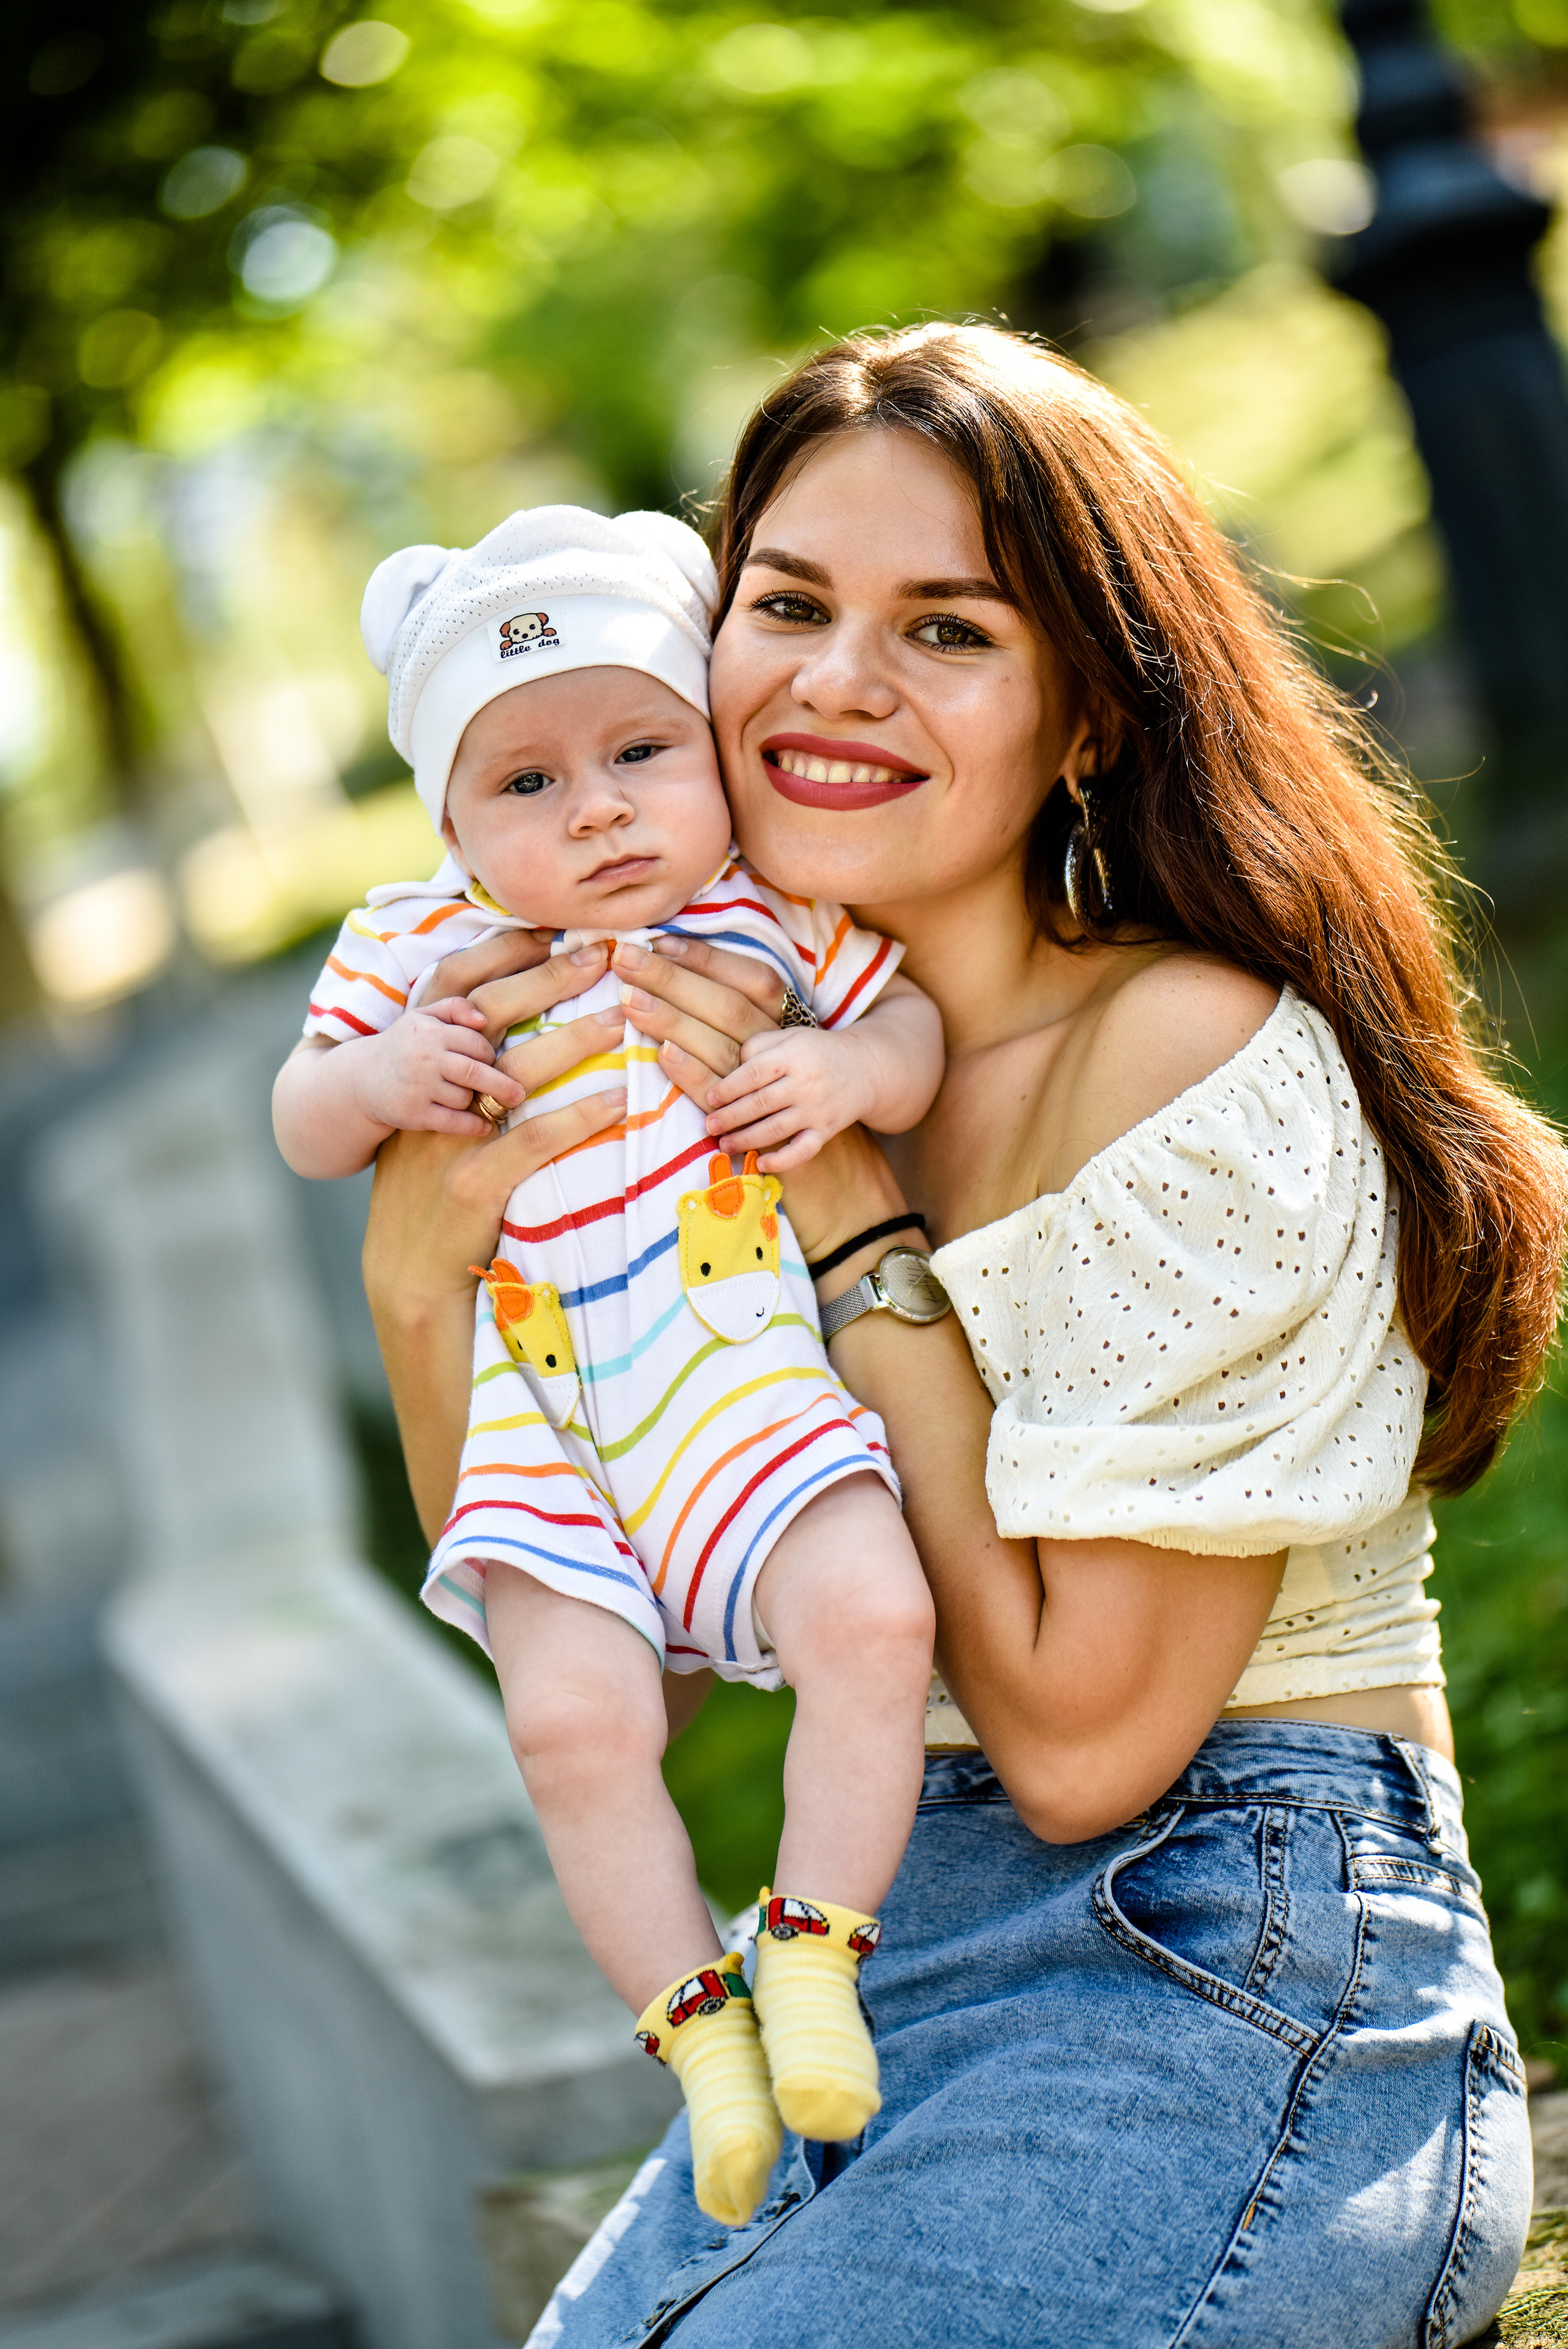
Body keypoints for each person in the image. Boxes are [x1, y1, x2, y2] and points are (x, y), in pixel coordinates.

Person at [358, 324, 1564, 2347]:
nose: (839, 680)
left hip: (1229, 1952)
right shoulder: (681, 1091)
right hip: (869, 1966)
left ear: (1086, 714)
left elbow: (1085, 1748)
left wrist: (856, 1221)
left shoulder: (1179, 1058)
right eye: (789, 606)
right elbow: (635, 1671)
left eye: (948, 629)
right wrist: (418, 1287)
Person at [273, 507, 944, 2229]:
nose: (597, 808)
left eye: (641, 750)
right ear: (450, 825)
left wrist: (853, 1075)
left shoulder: (772, 906)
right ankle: (700, 2038)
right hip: (545, 1420)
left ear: (709, 746)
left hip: (734, 1376)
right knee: (571, 1727)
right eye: (527, 783)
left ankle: (812, 1951)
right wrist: (381, 1077)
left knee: (873, 1616)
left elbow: (910, 1022)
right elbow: (304, 1117)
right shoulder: (411, 946)